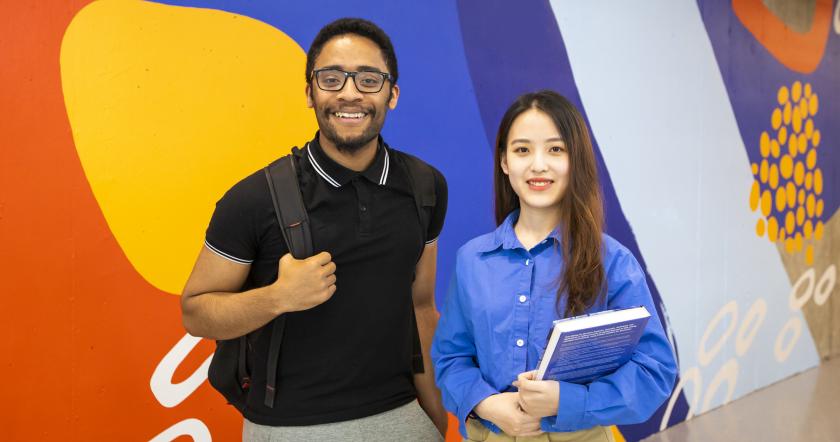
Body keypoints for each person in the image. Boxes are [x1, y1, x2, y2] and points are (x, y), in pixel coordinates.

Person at [180, 18, 448, 441]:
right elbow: (195, 313)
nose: (349, 92)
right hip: (289, 429)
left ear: (391, 94)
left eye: (368, 79)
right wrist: (278, 297)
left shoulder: (424, 187)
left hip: (401, 418)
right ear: (310, 93)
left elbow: (420, 306)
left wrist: (435, 418)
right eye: (331, 78)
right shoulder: (253, 200)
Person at [432, 90, 676, 441]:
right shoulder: (472, 260)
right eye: (522, 150)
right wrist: (485, 403)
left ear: (575, 160)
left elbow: (655, 371)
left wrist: (568, 401)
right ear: (503, 161)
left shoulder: (613, 262)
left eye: (555, 149)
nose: (538, 165)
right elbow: (450, 357)